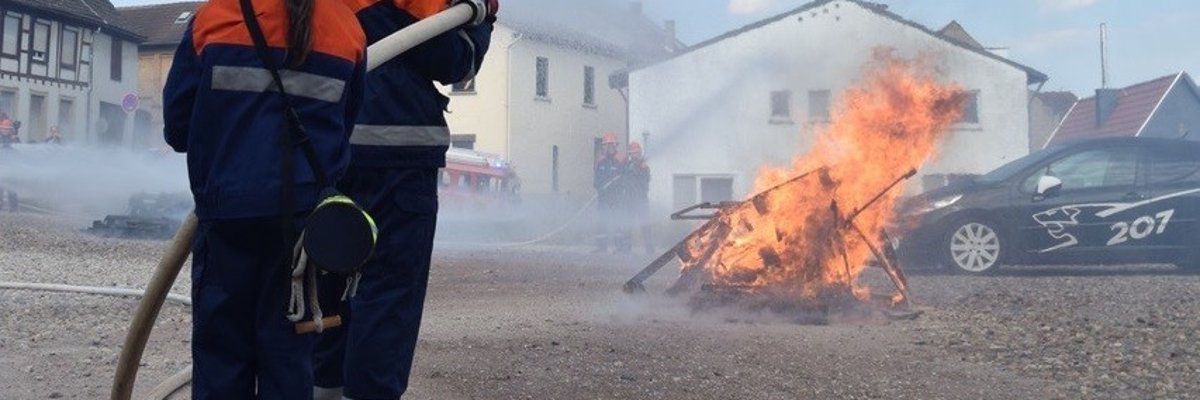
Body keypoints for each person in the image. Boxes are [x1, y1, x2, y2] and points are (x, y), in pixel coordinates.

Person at [161, 0, 366, 398]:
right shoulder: (348, 29)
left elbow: (178, 129)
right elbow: (345, 129)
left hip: (228, 215)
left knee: (222, 359)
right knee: (289, 359)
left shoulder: (215, 18)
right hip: (305, 235)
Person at [312, 1, 496, 399]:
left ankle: (322, 389)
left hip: (326, 148)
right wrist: (483, 18)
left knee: (327, 281)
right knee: (388, 291)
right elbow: (452, 62)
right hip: (398, 158)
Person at [593, 132, 624, 253]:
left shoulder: (620, 160)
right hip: (603, 197)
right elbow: (596, 177)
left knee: (618, 222)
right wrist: (598, 186)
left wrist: (614, 184)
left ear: (615, 146)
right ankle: (601, 247)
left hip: (616, 197)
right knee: (601, 222)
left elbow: (623, 178)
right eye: (605, 146)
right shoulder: (601, 161)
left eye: (610, 145)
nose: (608, 148)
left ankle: (620, 248)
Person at [623, 141, 653, 254]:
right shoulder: (627, 166)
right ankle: (627, 248)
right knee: (628, 225)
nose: (634, 155)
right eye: (632, 153)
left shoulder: (644, 167)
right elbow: (623, 179)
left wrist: (638, 169)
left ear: (639, 154)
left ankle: (649, 249)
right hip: (629, 200)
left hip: (641, 200)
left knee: (645, 225)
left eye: (636, 153)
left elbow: (645, 181)